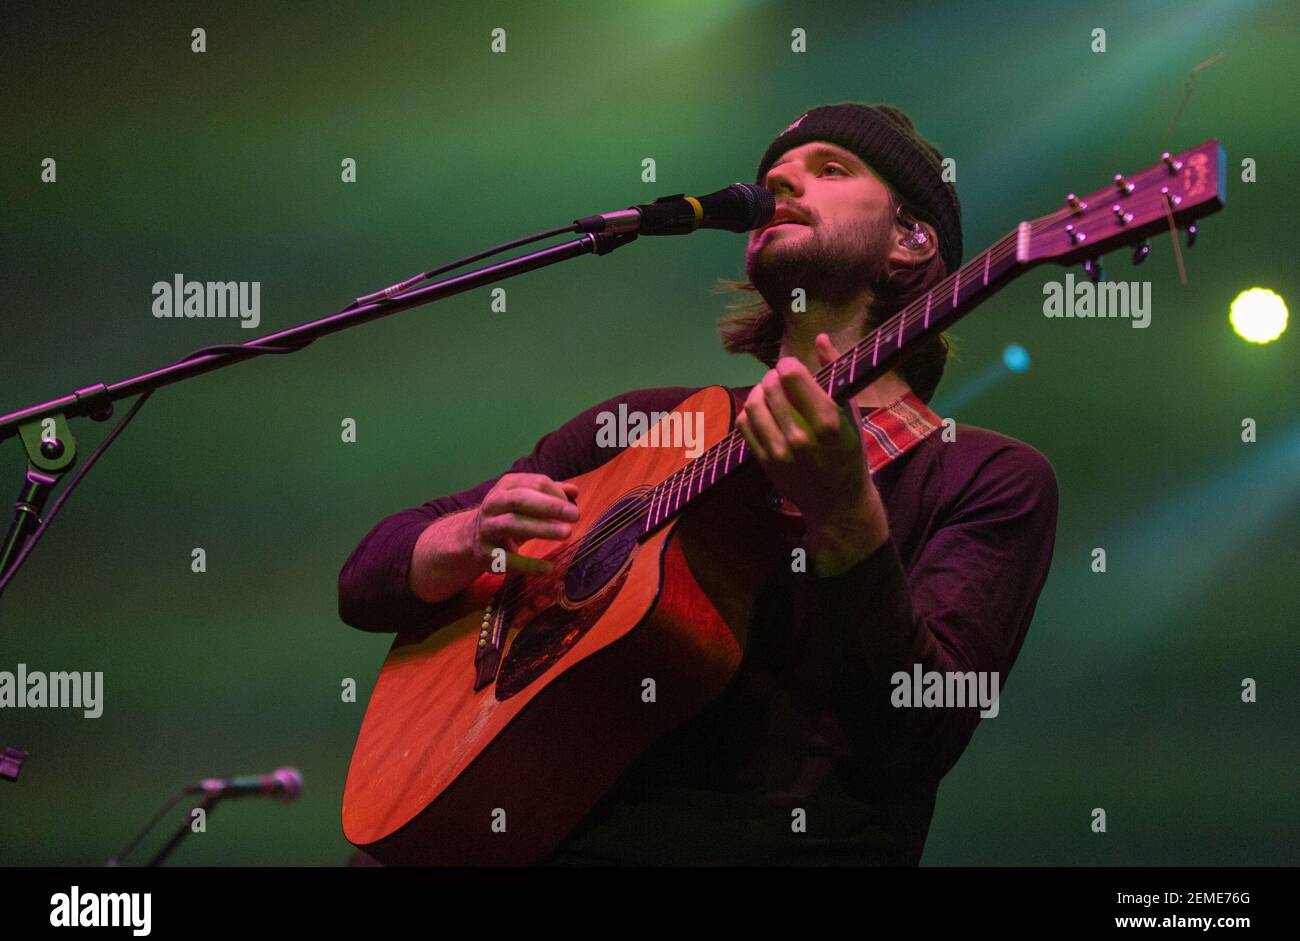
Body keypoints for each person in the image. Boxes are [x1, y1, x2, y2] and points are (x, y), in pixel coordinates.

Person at [338, 103, 1059, 865]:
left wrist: (845, 514)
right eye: (774, 178)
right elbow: (365, 582)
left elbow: (921, 735)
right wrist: (467, 538)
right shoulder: (646, 425)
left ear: (912, 239)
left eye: (830, 170)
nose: (782, 184)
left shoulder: (985, 476)